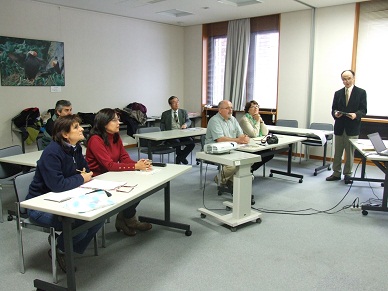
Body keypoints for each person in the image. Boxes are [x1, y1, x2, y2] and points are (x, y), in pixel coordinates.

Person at [26, 114, 103, 273]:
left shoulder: (76, 148)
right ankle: (62, 249)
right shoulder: (52, 153)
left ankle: (64, 245)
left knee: (98, 217)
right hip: (41, 206)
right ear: (65, 134)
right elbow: (58, 185)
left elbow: (87, 171)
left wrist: (80, 177)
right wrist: (80, 178)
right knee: (79, 223)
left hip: (67, 198)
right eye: (76, 127)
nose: (82, 129)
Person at [86, 108, 152, 237]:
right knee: (133, 188)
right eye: (115, 120)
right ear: (104, 123)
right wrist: (135, 166)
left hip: (113, 176)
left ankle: (126, 218)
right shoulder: (95, 140)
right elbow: (109, 165)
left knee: (141, 186)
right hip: (99, 179)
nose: (119, 122)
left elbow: (124, 158)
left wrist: (139, 164)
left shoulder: (115, 136)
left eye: (118, 119)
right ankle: (128, 220)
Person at [326, 70, 367, 184]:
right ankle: (336, 173)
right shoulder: (338, 93)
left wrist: (356, 115)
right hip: (339, 126)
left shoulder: (361, 92)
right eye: (344, 79)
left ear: (353, 78)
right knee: (337, 152)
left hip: (352, 127)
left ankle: (348, 175)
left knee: (349, 153)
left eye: (349, 78)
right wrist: (335, 114)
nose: (346, 81)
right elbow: (333, 109)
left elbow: (363, 110)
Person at [205, 100, 250, 187]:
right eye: (227, 108)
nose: (230, 110)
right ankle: (219, 178)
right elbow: (220, 139)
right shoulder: (214, 120)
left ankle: (232, 179)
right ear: (220, 110)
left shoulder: (232, 119)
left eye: (231, 108)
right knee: (232, 165)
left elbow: (240, 135)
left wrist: (244, 138)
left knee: (247, 160)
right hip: (215, 149)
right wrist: (238, 140)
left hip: (231, 148)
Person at [239, 100, 274, 173]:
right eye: (253, 107)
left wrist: (260, 121)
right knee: (263, 154)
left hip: (257, 143)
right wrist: (258, 121)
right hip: (247, 145)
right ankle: (248, 170)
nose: (256, 108)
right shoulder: (244, 119)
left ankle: (251, 169)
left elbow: (265, 132)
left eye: (257, 106)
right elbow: (254, 134)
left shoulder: (257, 117)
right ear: (248, 110)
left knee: (270, 154)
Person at [160, 96, 195, 164]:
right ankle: (180, 158)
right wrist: (164, 134)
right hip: (171, 135)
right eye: (174, 102)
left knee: (191, 143)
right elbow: (162, 125)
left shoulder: (183, 112)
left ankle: (180, 157)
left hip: (182, 133)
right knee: (177, 142)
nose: (176, 104)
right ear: (170, 105)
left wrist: (186, 124)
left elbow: (188, 121)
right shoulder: (165, 114)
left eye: (177, 102)